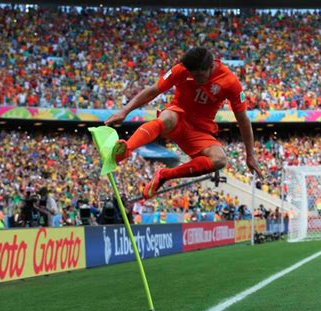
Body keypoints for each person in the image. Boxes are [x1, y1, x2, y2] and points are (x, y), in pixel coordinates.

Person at [105, 47, 262, 199]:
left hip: (200, 129)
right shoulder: (181, 70)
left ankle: (165, 174)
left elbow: (243, 120)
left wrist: (250, 155)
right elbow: (154, 90)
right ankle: (127, 150)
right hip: (177, 115)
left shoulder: (230, 82)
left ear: (211, 67)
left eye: (200, 75)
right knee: (166, 118)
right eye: (193, 75)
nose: (196, 79)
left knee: (219, 160)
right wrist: (124, 111)